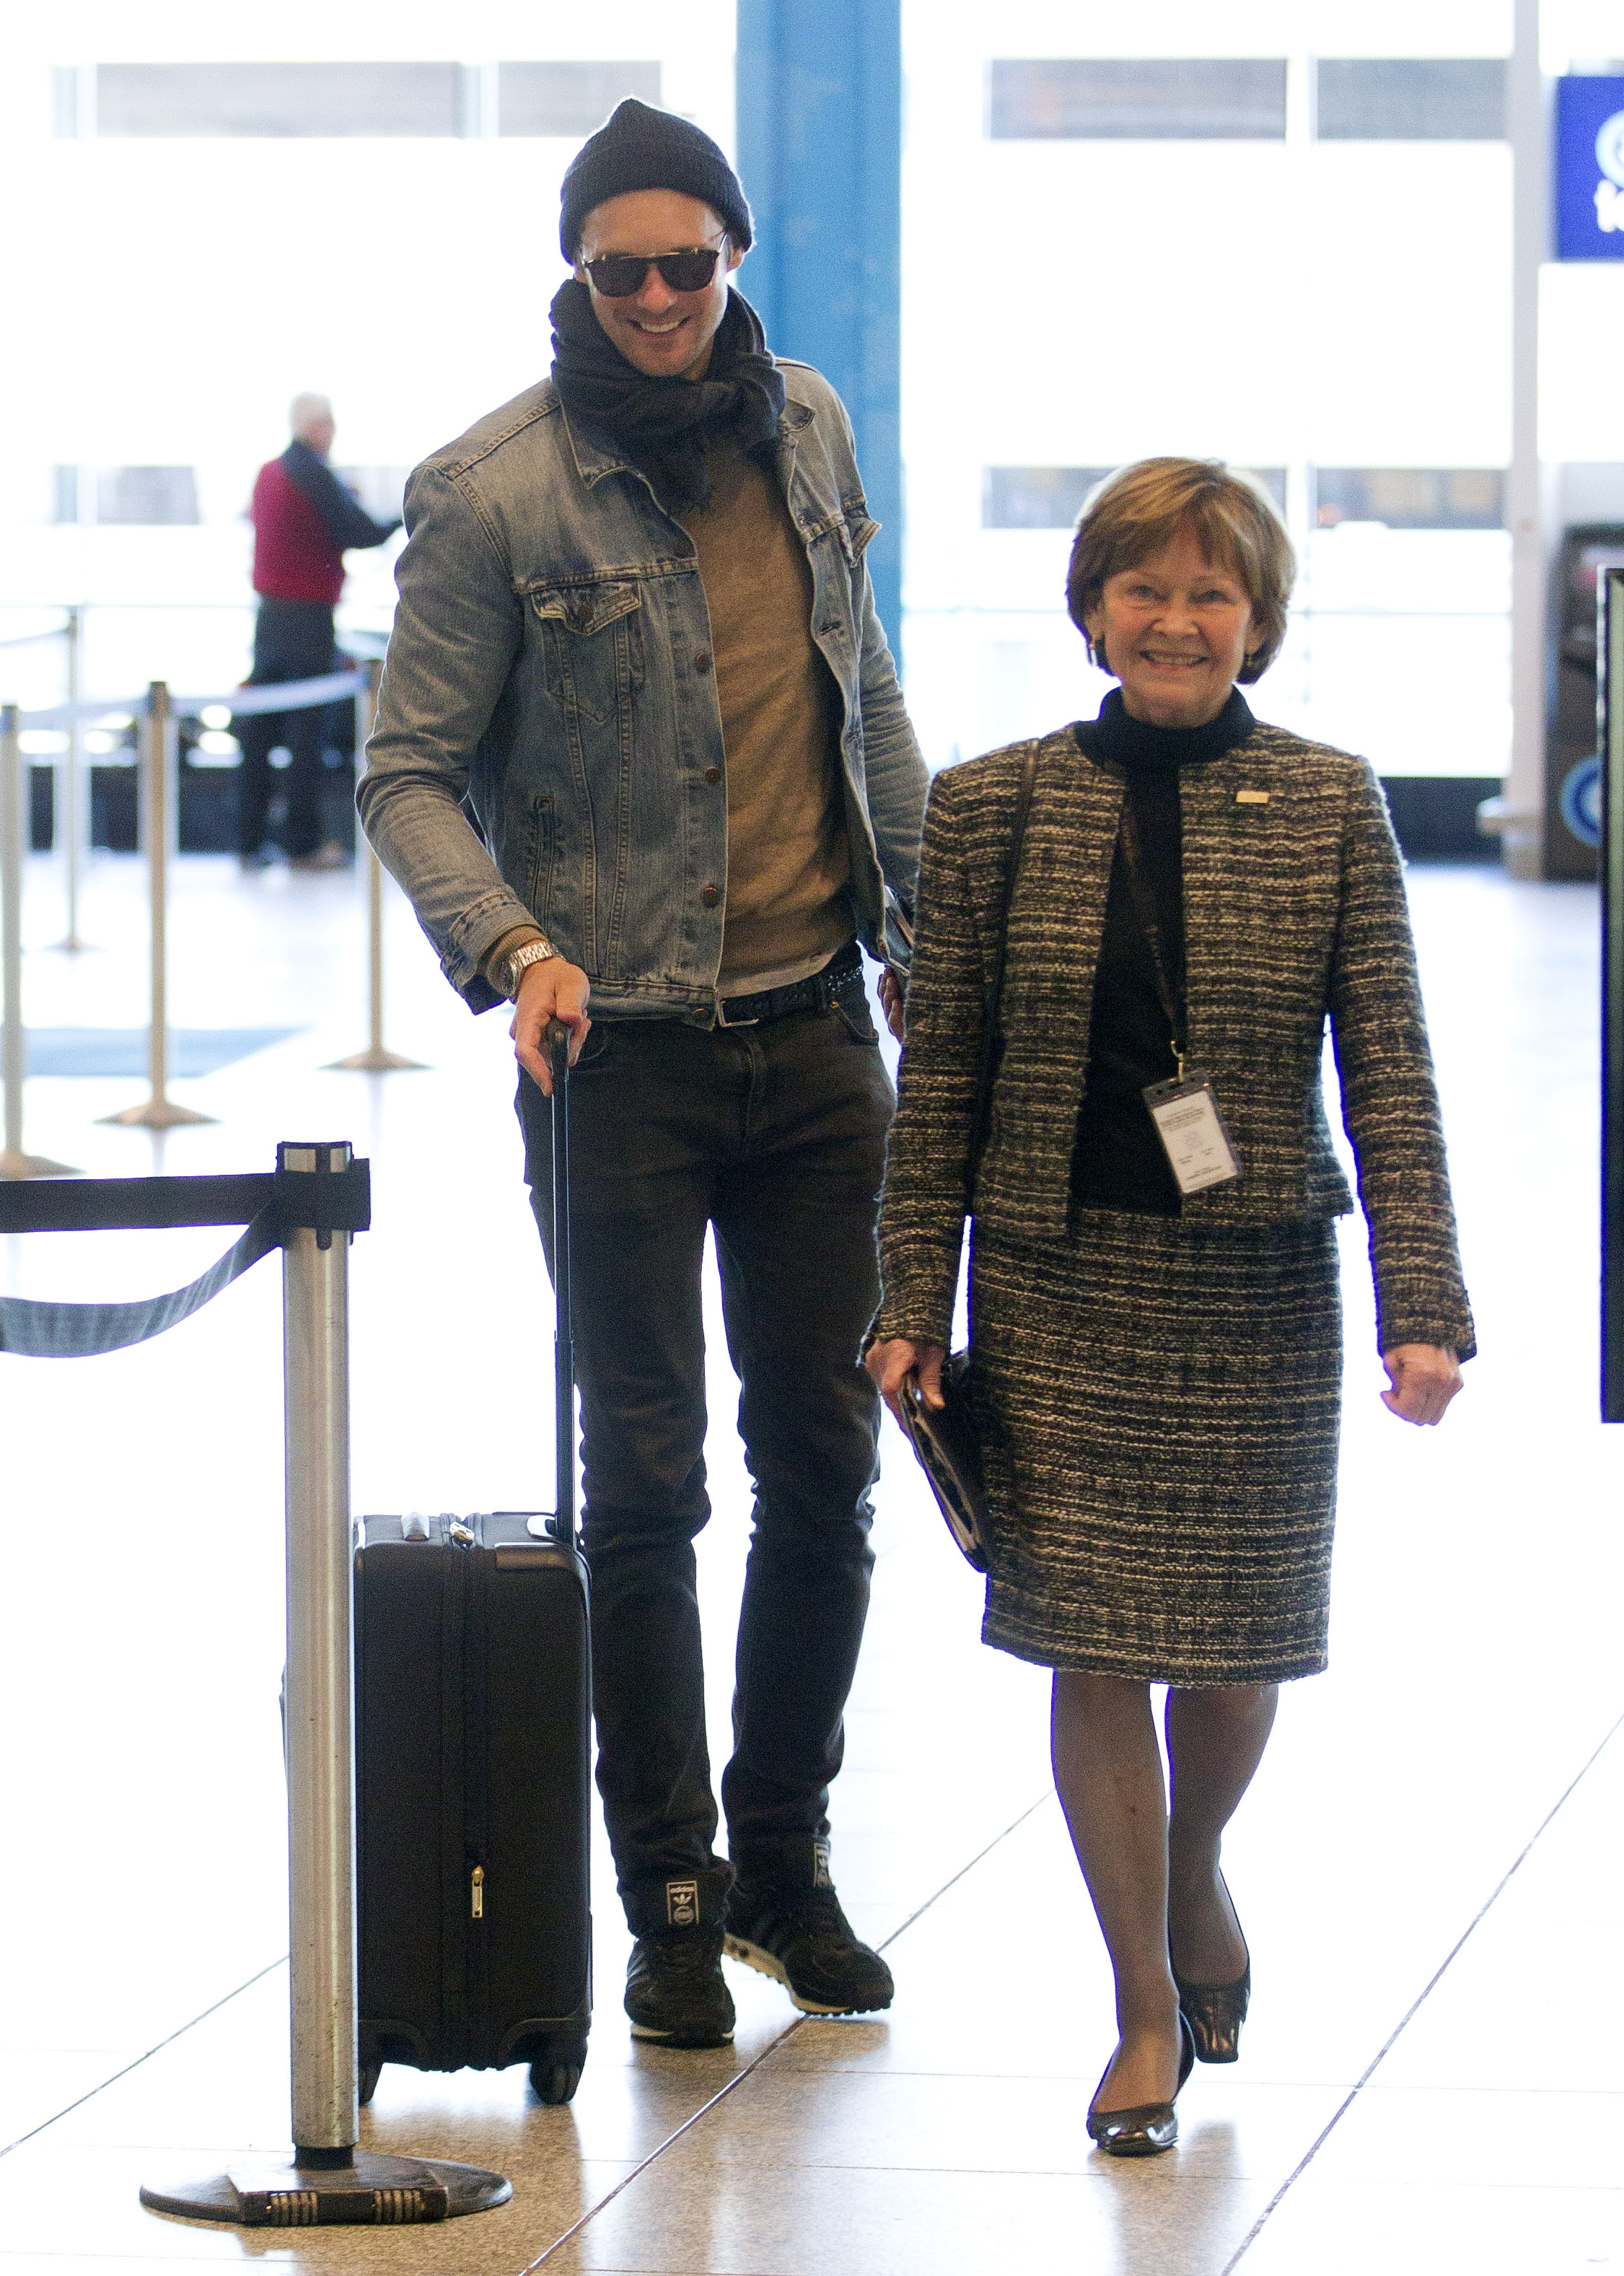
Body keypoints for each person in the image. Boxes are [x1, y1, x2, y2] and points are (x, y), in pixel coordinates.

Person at [358, 100, 927, 2049]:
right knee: (648, 1485)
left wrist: (926, 935)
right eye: (626, 273)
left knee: (828, 1462)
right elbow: (406, 769)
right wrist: (516, 947)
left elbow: (869, 694)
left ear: (734, 260)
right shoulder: (492, 491)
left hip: (819, 1033)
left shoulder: (809, 429)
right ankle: (668, 1895)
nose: (664, 300)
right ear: (578, 273)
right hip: (618, 1056)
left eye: (693, 266)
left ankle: (785, 1859)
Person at [866, 458, 1472, 2155]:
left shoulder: (1332, 802)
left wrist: (1423, 1301)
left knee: (1234, 1640)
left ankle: (1192, 1861)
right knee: (1093, 1642)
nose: (1177, 619)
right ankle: (1141, 1998)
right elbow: (946, 1073)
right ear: (1092, 610)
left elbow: (1390, 1071)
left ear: (1256, 620)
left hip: (1253, 1285)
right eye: (1144, 586)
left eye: (1212, 591)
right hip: (1058, 1280)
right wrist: (910, 1293)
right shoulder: (991, 805)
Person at [239, 393, 399, 870]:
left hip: (269, 617)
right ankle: (302, 843)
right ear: (319, 427)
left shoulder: (270, 472)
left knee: (260, 731)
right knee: (306, 734)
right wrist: (403, 516)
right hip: (307, 620)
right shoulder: (312, 473)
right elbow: (361, 531)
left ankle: (248, 839)